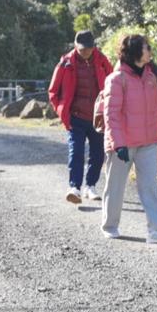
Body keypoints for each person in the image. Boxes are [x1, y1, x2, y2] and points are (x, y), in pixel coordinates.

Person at [99, 34, 157, 244]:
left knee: (150, 186)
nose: (150, 50)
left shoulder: (151, 76)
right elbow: (111, 115)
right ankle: (110, 225)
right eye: (146, 47)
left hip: (147, 142)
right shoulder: (116, 79)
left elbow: (156, 110)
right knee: (115, 186)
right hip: (122, 144)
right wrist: (118, 144)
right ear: (134, 52)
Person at [48, 30, 113, 204]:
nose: (86, 52)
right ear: (75, 46)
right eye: (82, 49)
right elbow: (53, 91)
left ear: (94, 47)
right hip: (75, 116)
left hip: (97, 117)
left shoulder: (102, 61)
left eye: (89, 49)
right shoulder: (66, 62)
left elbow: (113, 83)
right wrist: (62, 111)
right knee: (76, 152)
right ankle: (74, 188)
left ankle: (90, 186)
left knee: (98, 154)